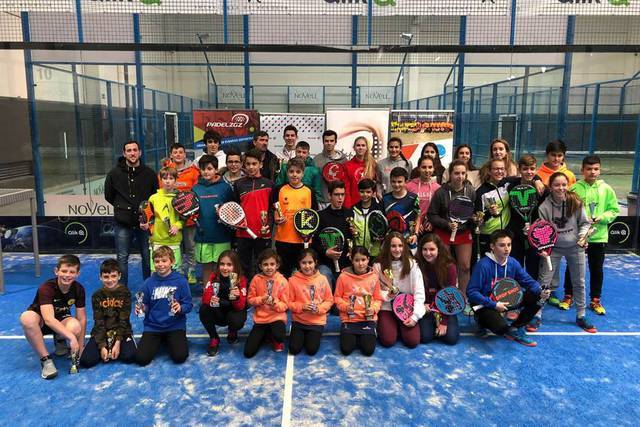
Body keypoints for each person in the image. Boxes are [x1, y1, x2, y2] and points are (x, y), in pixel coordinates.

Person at [534, 172, 596, 333]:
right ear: (550, 186)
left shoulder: (575, 201)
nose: (561, 188)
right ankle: (537, 314)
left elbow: (585, 223)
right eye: (556, 185)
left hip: (575, 247)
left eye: (564, 184)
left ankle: (581, 315)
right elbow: (543, 231)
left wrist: (582, 236)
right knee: (544, 281)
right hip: (552, 249)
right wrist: (543, 248)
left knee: (579, 282)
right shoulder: (544, 207)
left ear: (568, 185)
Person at [467, 230, 548, 347]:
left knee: (539, 297)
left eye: (509, 245)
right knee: (500, 329)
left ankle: (517, 327)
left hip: (505, 299)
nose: (506, 249)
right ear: (492, 246)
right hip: (485, 303)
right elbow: (471, 292)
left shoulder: (513, 263)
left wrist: (541, 291)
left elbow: (528, 281)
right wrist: (493, 304)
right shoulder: (482, 265)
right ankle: (481, 319)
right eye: (502, 245)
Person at [560, 156, 619, 315]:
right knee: (572, 267)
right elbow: (567, 210)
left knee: (596, 269)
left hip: (598, 237)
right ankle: (568, 296)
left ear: (599, 170)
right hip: (578, 237)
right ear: (582, 170)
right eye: (589, 169)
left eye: (595, 169)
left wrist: (602, 217)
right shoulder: (574, 189)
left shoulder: (606, 189)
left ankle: (595, 299)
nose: (592, 172)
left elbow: (614, 210)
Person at [19, 254, 86, 379]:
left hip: (61, 319)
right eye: (64, 271)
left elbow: (81, 318)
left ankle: (59, 339)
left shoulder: (78, 289)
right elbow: (49, 319)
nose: (67, 275)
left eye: (72, 272)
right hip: (42, 322)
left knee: (75, 326)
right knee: (27, 318)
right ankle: (46, 360)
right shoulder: (46, 288)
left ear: (78, 274)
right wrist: (72, 338)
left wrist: (81, 346)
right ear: (56, 271)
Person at [104, 140, 158, 286]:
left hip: (145, 224)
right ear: (124, 153)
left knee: (147, 257)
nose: (132, 153)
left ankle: (148, 288)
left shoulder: (149, 173)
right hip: (122, 223)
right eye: (129, 150)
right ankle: (122, 290)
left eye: (135, 150)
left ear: (140, 153)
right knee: (122, 257)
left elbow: (155, 196)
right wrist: (122, 208)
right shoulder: (114, 173)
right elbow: (109, 195)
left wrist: (147, 216)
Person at [427, 159, 476, 310]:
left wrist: (475, 219)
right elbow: (432, 215)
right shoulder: (441, 192)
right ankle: (445, 296)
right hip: (443, 232)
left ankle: (463, 298)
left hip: (463, 232)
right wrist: (446, 224)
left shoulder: (470, 191)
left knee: (465, 266)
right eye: (456, 173)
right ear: (450, 174)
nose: (460, 176)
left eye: (463, 173)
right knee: (445, 266)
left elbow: (473, 213)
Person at [135, 246, 193, 366]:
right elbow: (144, 303)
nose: (160, 264)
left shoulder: (181, 281)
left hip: (175, 326)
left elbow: (188, 305)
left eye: (164, 261)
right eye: (157, 261)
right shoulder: (148, 283)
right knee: (141, 359)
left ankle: (171, 339)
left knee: (180, 357)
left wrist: (180, 308)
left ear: (172, 261)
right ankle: (161, 339)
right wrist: (142, 308)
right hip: (153, 327)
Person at [79, 259, 136, 368]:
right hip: (102, 332)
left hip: (122, 331)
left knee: (130, 357)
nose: (110, 280)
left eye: (113, 276)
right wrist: (102, 346)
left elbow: (124, 320)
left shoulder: (125, 293)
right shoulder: (97, 296)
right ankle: (107, 350)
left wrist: (117, 343)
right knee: (86, 361)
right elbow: (98, 321)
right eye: (106, 277)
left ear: (119, 276)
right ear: (100, 277)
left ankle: (115, 348)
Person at [373, 232, 425, 348]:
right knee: (387, 341)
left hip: (407, 307)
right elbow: (374, 290)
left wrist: (415, 317)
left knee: (412, 341)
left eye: (400, 246)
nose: (397, 249)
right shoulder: (378, 265)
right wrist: (388, 295)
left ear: (404, 246)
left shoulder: (412, 265)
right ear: (387, 247)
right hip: (387, 307)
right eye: (393, 246)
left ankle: (399, 326)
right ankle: (391, 325)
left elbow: (419, 293)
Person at [192, 155, 234, 290]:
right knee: (206, 268)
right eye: (203, 169)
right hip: (203, 236)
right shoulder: (195, 188)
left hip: (222, 236)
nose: (206, 172)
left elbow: (232, 209)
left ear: (216, 169)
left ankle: (223, 294)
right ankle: (208, 295)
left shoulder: (225, 188)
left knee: (223, 268)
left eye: (209, 169)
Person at [271, 158, 318, 277]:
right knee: (284, 273)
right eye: (291, 171)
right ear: (287, 173)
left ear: (303, 173)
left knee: (302, 273)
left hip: (302, 239)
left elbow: (314, 214)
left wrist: (309, 234)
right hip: (283, 239)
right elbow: (274, 209)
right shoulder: (279, 189)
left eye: (298, 172)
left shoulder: (309, 191)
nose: (294, 175)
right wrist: (276, 218)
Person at [502, 154, 546, 280]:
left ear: (536, 169)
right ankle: (515, 290)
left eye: (532, 169)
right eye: (525, 169)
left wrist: (537, 179)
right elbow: (499, 180)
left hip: (535, 235)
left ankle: (532, 291)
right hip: (515, 234)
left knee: (533, 268)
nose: (529, 172)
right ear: (519, 169)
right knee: (515, 268)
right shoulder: (510, 185)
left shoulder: (541, 189)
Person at [233, 148, 274, 281]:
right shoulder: (238, 184)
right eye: (248, 164)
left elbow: (273, 209)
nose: (251, 167)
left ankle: (262, 290)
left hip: (263, 233)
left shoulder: (269, 184)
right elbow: (235, 208)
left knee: (263, 266)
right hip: (243, 233)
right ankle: (246, 291)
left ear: (260, 164)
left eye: (254, 164)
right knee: (243, 266)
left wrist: (268, 226)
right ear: (244, 165)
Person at [162, 143, 200, 284]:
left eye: (180, 152)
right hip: (172, 219)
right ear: (171, 155)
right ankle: (175, 271)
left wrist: (192, 212)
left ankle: (191, 271)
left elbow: (197, 194)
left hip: (189, 218)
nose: (178, 154)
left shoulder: (193, 172)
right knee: (174, 246)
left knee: (190, 247)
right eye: (175, 152)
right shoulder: (165, 171)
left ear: (185, 154)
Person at [334, 246, 383, 356]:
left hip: (367, 319)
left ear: (368, 259)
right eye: (357, 260)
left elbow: (378, 298)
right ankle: (351, 334)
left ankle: (367, 333)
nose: (360, 263)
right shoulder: (343, 277)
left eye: (363, 260)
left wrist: (373, 309)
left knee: (368, 351)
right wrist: (346, 307)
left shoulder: (374, 277)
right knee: (346, 350)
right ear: (351, 260)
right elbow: (337, 298)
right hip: (349, 319)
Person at [200, 250, 247, 356]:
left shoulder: (241, 280)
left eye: (229, 265)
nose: (225, 268)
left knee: (236, 320)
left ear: (235, 266)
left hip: (233, 312)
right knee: (204, 309)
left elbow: (241, 306)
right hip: (219, 311)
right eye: (222, 264)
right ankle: (214, 338)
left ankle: (232, 331)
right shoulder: (214, 277)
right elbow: (205, 297)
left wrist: (237, 297)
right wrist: (210, 299)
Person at [415, 234, 460, 345]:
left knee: (451, 339)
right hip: (426, 308)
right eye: (425, 249)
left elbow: (451, 296)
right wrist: (421, 305)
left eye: (432, 249)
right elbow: (413, 289)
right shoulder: (416, 265)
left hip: (445, 307)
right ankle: (432, 324)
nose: (428, 253)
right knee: (425, 337)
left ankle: (440, 322)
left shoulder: (450, 267)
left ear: (439, 249)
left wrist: (444, 322)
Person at [287, 249, 334, 356]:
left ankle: (311, 335)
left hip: (316, 322)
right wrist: (302, 306)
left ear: (315, 262)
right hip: (299, 321)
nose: (307, 266)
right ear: (299, 263)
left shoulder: (322, 279)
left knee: (311, 350)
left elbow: (329, 300)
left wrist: (319, 309)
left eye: (310, 262)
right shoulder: (293, 280)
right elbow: (288, 302)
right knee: (294, 349)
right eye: (304, 263)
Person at [244, 249, 289, 358]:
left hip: (277, 318)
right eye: (265, 264)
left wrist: (274, 302)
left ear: (277, 265)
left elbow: (285, 305)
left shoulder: (283, 281)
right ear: (260, 266)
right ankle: (266, 334)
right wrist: (261, 300)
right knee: (248, 352)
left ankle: (274, 337)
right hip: (261, 320)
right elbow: (250, 299)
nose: (269, 267)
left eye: (272, 264)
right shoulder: (256, 279)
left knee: (279, 336)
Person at [312, 180, 353, 288]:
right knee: (323, 276)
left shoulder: (350, 214)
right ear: (329, 196)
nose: (340, 198)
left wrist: (352, 251)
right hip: (326, 264)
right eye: (336, 194)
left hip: (346, 264)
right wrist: (326, 252)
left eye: (342, 194)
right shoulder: (320, 216)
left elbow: (352, 238)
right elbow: (314, 243)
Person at [145, 166, 183, 271]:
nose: (168, 181)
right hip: (157, 241)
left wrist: (178, 225)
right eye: (165, 178)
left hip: (174, 241)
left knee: (175, 271)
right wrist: (145, 225)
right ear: (160, 180)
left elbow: (184, 217)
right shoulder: (153, 198)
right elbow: (149, 218)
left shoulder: (181, 197)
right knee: (156, 271)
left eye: (171, 178)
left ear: (175, 180)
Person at [475, 158, 511, 256]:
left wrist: (537, 180)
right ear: (489, 171)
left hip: (505, 234)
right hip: (488, 235)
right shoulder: (481, 192)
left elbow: (526, 177)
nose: (499, 171)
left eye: (502, 169)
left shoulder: (508, 184)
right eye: (496, 169)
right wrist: (489, 213)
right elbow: (478, 220)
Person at [351, 178, 385, 259]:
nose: (365, 194)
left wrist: (382, 236)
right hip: (358, 252)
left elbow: (385, 229)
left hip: (375, 253)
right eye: (362, 192)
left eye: (368, 192)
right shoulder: (353, 209)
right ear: (358, 191)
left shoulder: (380, 209)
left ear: (373, 193)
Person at [407, 156, 441, 237]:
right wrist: (415, 224)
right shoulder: (409, 186)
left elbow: (439, 210)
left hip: (430, 227)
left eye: (430, 167)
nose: (427, 170)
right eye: (424, 167)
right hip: (412, 227)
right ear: (418, 168)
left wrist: (433, 222)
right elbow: (406, 207)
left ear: (433, 169)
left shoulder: (438, 188)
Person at [314, 130, 347, 204]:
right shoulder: (316, 160)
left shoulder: (343, 160)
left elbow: (346, 182)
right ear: (323, 142)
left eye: (332, 141)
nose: (329, 143)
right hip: (322, 201)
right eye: (326, 141)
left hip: (339, 201)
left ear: (335, 142)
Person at [343, 136, 377, 208]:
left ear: (367, 148)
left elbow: (376, 186)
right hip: (354, 205)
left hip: (370, 205)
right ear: (354, 147)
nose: (360, 148)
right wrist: (348, 207)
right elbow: (346, 189)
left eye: (363, 145)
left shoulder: (373, 164)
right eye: (358, 145)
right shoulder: (347, 166)